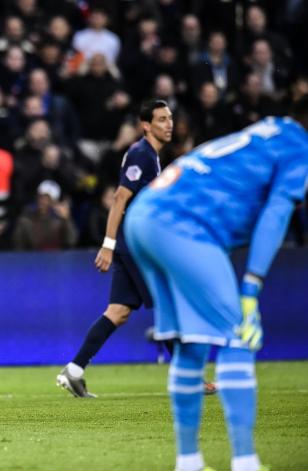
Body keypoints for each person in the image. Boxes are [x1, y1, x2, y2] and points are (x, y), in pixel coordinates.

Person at [124, 96, 308, 471]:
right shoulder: (299, 148)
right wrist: (251, 288)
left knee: (192, 347)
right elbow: (276, 215)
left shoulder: (268, 132)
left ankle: (188, 461)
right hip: (184, 225)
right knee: (236, 335)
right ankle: (245, 462)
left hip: (143, 216)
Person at [56, 100, 175, 397]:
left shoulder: (151, 156)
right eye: (161, 119)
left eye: (169, 118)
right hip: (135, 245)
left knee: (118, 311)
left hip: (131, 243)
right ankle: (191, 376)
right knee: (168, 303)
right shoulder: (141, 154)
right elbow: (120, 198)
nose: (168, 124)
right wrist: (107, 245)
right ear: (146, 125)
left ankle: (74, 370)